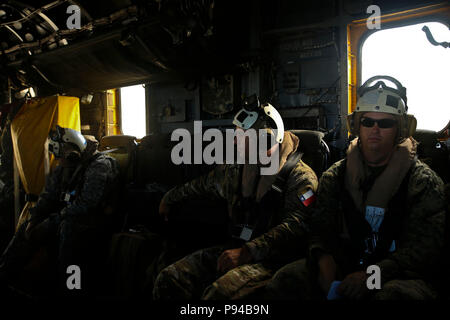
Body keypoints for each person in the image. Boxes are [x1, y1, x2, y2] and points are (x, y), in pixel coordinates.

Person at [264, 76, 447, 300]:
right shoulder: (335, 176)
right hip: (347, 263)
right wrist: (323, 258)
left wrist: (372, 276)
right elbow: (321, 229)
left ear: (400, 129)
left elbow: (428, 251)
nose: (375, 129)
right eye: (367, 122)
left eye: (386, 123)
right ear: (356, 126)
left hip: (398, 274)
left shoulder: (422, 182)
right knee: (286, 281)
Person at [152, 95, 319, 300]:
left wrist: (248, 251)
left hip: (273, 261)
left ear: (265, 139)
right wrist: (169, 198)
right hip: (236, 249)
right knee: (169, 279)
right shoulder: (239, 170)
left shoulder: (301, 177)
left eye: (242, 136)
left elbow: (298, 225)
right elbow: (203, 185)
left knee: (218, 294)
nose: (234, 140)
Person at [0, 125, 120, 296]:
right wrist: (34, 219)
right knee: (27, 227)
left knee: (70, 232)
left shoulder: (100, 166)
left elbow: (87, 204)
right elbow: (48, 195)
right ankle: (5, 274)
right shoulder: (66, 166)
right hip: (68, 216)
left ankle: (72, 289)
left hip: (94, 221)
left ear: (74, 151)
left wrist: (53, 220)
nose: (59, 161)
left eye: (62, 155)